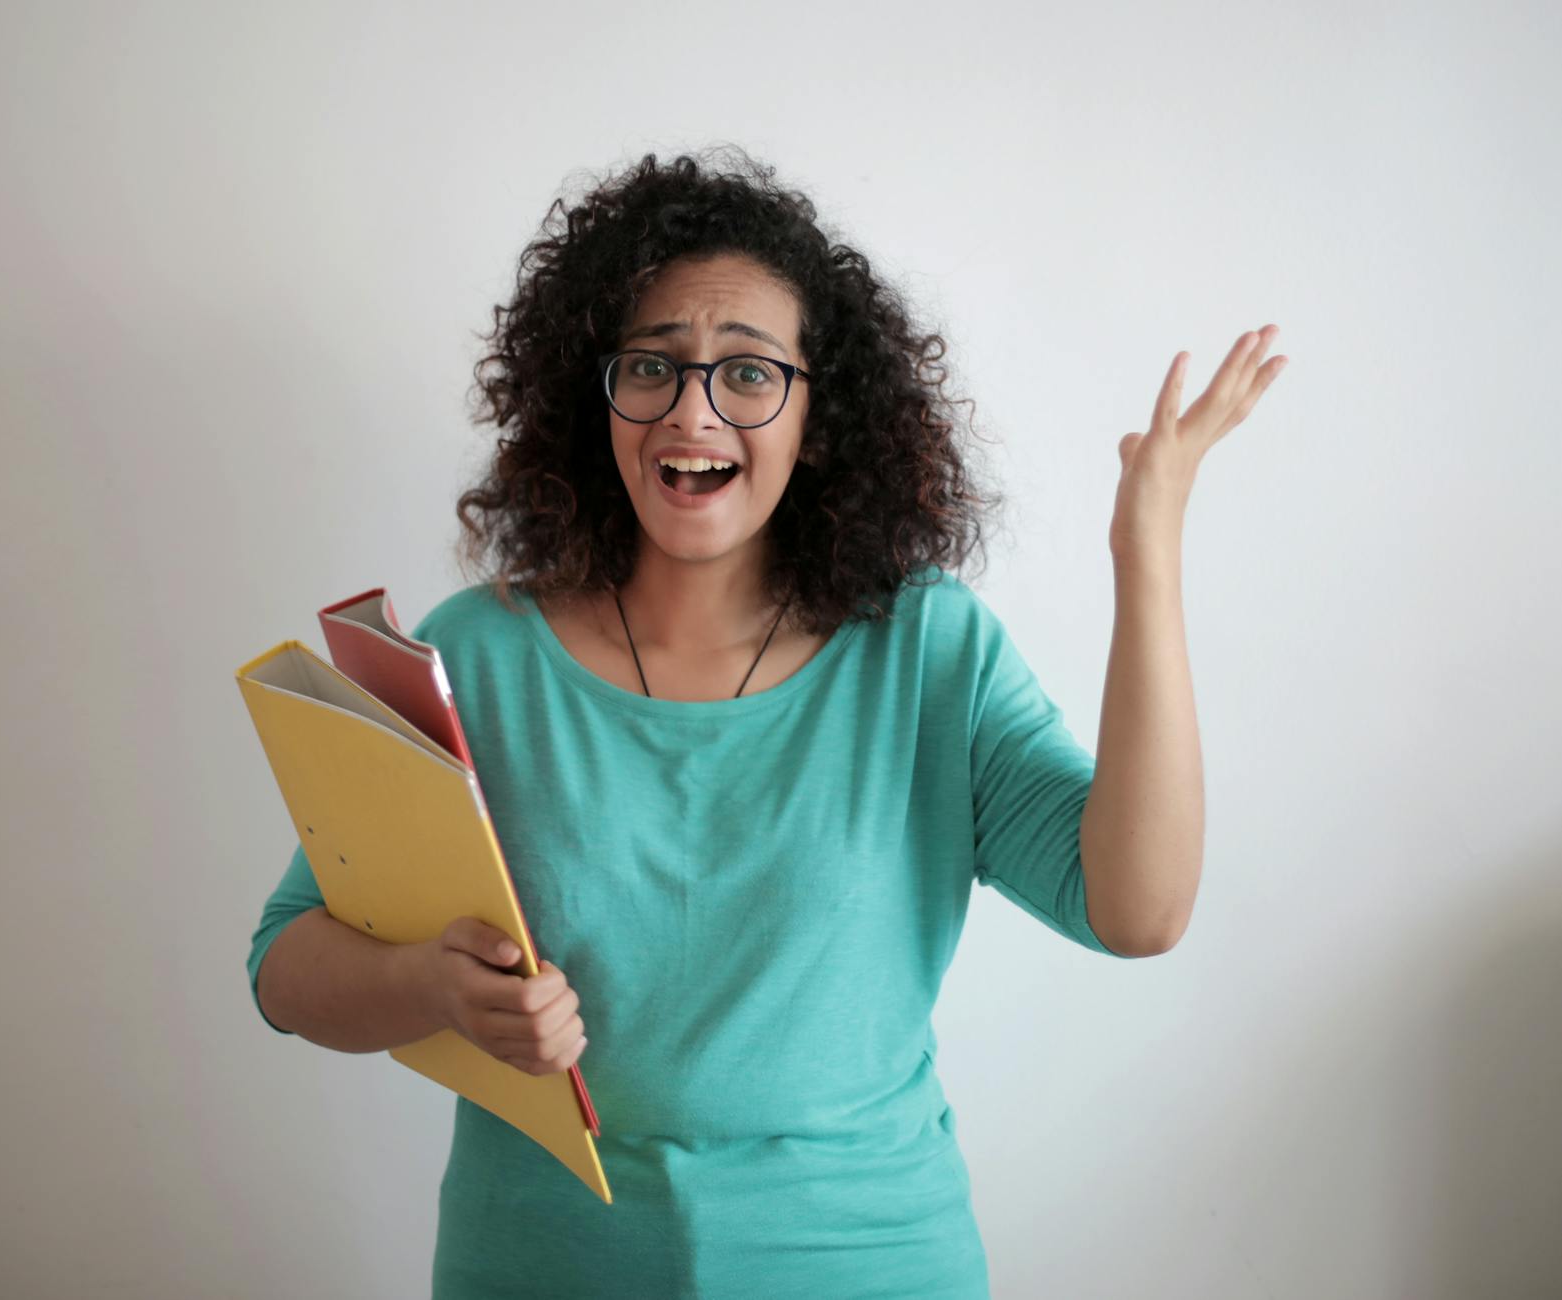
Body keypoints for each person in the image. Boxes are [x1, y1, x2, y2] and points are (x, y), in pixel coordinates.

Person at [246, 146, 1285, 1297]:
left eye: (748, 372)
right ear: (594, 396)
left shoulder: (925, 651)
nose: (692, 411)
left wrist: (1146, 549)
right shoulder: (476, 655)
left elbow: (1137, 910)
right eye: (652, 366)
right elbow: (285, 965)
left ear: (816, 413)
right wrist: (435, 989)